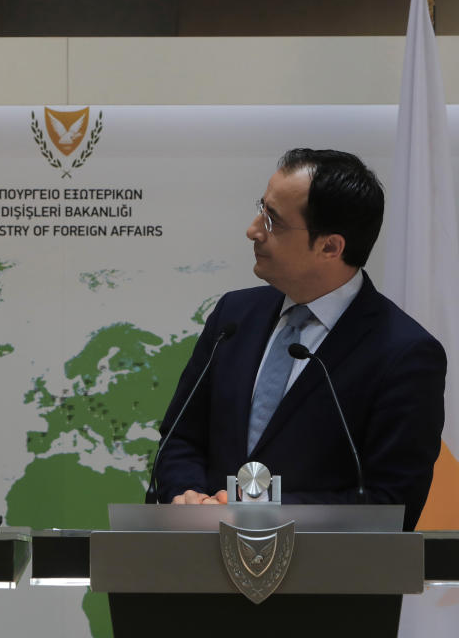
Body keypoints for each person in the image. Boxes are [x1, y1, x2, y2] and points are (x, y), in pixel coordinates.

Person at [148, 148, 445, 531]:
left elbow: (390, 503)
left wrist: (255, 510)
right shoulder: (233, 317)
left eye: (273, 220)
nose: (253, 229)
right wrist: (185, 493)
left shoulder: (404, 354)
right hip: (199, 569)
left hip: (323, 583)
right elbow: (179, 438)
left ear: (330, 247)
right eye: (262, 209)